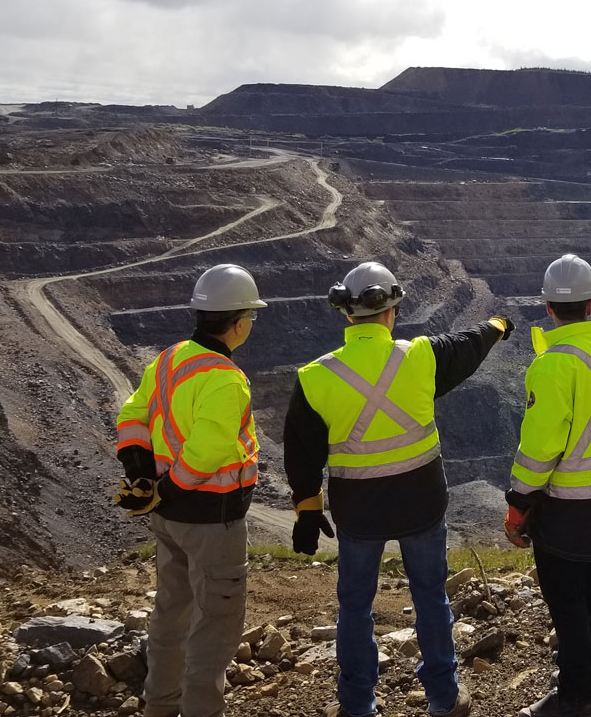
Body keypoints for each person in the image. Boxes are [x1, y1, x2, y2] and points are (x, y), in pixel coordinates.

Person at [284, 261, 514, 717]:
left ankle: (357, 704)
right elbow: (470, 344)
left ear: (347, 314)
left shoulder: (315, 377)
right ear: (392, 310)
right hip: (421, 505)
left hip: (358, 512)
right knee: (430, 596)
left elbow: (301, 453)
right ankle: (444, 699)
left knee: (355, 606)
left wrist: (308, 511)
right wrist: (499, 324)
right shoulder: (423, 356)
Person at [112, 263, 267, 717]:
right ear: (238, 323)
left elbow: (132, 414)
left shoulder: (169, 358)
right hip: (209, 518)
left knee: (171, 614)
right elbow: (207, 451)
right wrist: (169, 490)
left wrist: (141, 474)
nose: (252, 325)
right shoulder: (224, 378)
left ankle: (159, 706)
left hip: (168, 519)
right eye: (252, 317)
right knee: (215, 626)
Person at [504, 254, 591, 717]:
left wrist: (519, 503)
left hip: (563, 508)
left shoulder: (551, 366)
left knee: (567, 604)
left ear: (548, 307)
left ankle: (575, 699)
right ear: (590, 304)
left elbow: (540, 449)